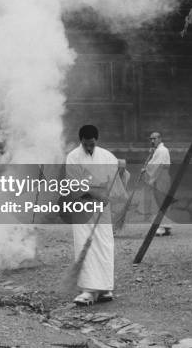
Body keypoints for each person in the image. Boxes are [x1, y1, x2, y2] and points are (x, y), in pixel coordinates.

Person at [65, 125, 126, 306]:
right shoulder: (73, 157)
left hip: (102, 209)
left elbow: (118, 178)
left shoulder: (107, 156)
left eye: (92, 144)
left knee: (105, 244)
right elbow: (74, 186)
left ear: (96, 141)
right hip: (82, 207)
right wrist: (96, 194)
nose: (89, 148)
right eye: (86, 145)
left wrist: (121, 170)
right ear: (81, 141)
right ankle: (89, 290)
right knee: (85, 244)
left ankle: (105, 287)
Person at [140, 132, 171, 234]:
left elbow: (158, 165)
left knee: (159, 201)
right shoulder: (158, 150)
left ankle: (161, 227)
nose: (153, 141)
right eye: (151, 139)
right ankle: (165, 227)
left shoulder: (162, 150)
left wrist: (146, 169)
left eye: (155, 138)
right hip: (160, 176)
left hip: (161, 176)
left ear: (160, 139)